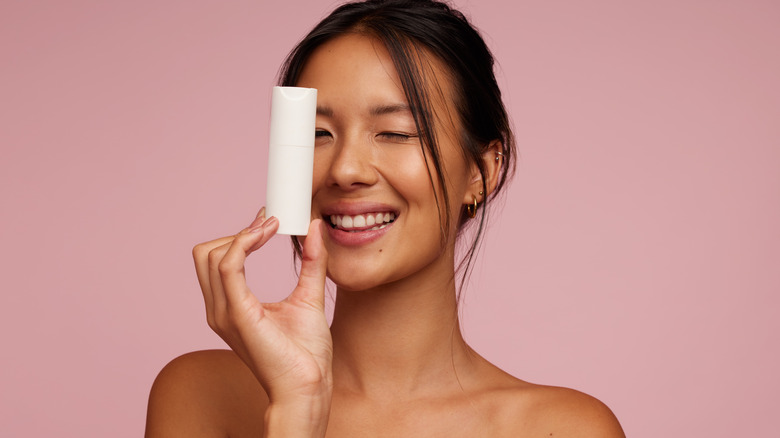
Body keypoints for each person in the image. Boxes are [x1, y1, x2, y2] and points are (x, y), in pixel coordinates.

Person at [145, 0, 625, 436]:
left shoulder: (564, 428)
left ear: (482, 170)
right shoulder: (199, 394)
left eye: (394, 133)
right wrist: (296, 406)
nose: (345, 170)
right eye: (317, 133)